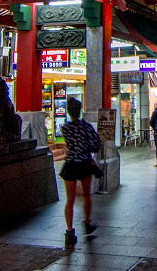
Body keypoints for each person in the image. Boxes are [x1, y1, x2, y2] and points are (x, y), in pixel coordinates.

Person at [59, 97, 102, 248]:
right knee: (86, 194)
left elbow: (70, 144)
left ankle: (69, 231)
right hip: (84, 162)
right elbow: (96, 144)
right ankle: (87, 222)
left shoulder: (65, 128)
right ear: (80, 110)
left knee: (69, 200)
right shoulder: (87, 127)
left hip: (70, 163)